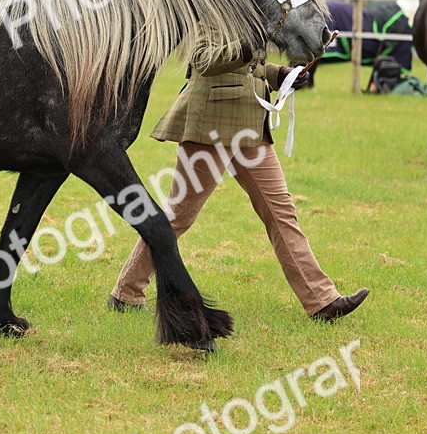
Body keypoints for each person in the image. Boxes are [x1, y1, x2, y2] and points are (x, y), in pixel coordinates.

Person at [108, 51, 370, 323]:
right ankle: (127, 292)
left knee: (280, 211)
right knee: (179, 215)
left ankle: (322, 300)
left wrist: (279, 74)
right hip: (211, 125)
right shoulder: (212, 9)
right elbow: (205, 60)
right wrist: (247, 43)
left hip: (250, 125)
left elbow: (250, 68)